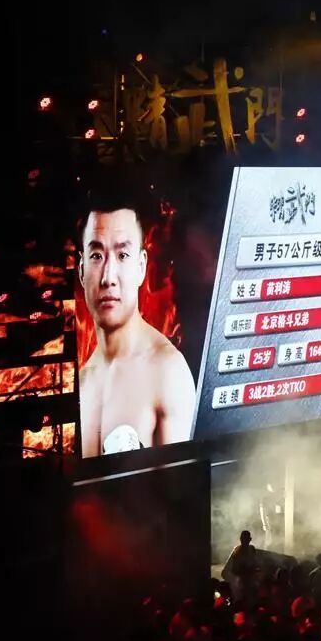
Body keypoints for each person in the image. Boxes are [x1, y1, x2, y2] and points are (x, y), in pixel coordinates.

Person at [77, 196, 196, 457]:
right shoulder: (82, 382)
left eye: (122, 255)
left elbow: (184, 480)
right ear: (82, 269)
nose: (108, 277)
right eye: (97, 256)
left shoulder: (167, 371)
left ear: (141, 267)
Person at [221, 530, 260, 605]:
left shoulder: (251, 549)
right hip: (239, 583)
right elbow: (229, 570)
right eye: (243, 539)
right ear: (240, 539)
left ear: (250, 539)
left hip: (248, 583)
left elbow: (255, 565)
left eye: (246, 539)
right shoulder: (237, 551)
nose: (244, 541)